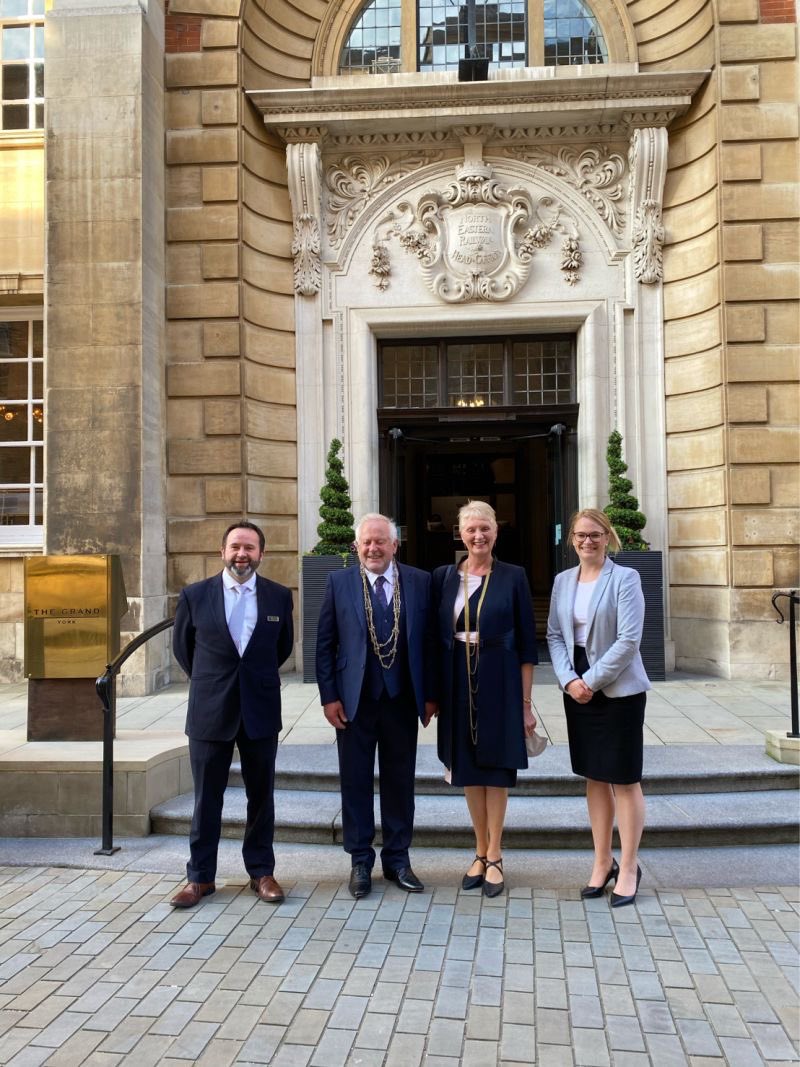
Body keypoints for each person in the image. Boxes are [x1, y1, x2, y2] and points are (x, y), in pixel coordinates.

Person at [170, 521, 294, 908]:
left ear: (261, 554)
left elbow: (282, 647)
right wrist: (214, 681)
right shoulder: (195, 595)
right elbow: (184, 650)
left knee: (261, 797)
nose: (242, 554)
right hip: (210, 709)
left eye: (250, 548)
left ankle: (261, 872)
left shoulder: (278, 596)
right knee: (206, 798)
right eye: (236, 547)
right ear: (222, 551)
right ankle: (200, 877)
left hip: (260, 709)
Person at [316, 513, 437, 899]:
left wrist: (431, 694)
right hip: (354, 701)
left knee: (400, 781)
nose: (373, 548)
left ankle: (398, 859)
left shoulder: (420, 581)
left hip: (402, 699)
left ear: (394, 545)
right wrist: (329, 696)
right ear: (356, 546)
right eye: (366, 542)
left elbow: (431, 641)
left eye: (380, 541)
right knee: (355, 781)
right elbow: (324, 644)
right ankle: (360, 861)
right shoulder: (338, 583)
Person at [432, 501, 538, 897]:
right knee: (468, 771)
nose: (478, 536)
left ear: (496, 531)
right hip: (456, 682)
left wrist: (525, 705)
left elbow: (527, 646)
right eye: (471, 529)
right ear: (460, 534)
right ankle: (478, 850)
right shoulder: (443, 577)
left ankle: (495, 854)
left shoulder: (513, 576)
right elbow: (432, 637)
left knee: (495, 770)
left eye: (485, 528)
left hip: (500, 681)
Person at [547, 508, 651, 908]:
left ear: (607, 537)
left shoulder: (625, 578)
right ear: (571, 539)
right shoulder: (562, 581)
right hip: (575, 685)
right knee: (594, 776)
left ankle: (629, 867)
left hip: (618, 689)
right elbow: (555, 636)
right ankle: (602, 861)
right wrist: (568, 679)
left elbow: (629, 640)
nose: (587, 541)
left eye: (595, 534)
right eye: (580, 535)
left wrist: (589, 681)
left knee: (623, 779)